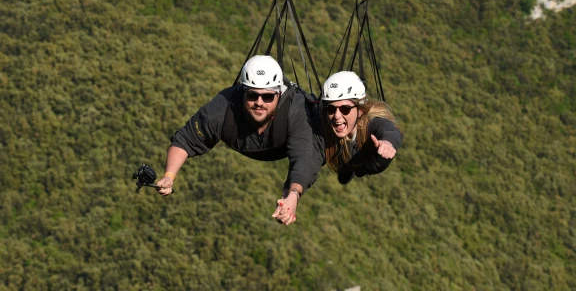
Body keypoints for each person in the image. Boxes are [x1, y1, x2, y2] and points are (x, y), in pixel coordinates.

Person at [156, 55, 325, 225]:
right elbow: (185, 139)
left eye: (267, 97)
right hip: (245, 141)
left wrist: (292, 196)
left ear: (279, 94)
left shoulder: (295, 111)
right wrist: (169, 175)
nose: (259, 103)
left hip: (286, 142)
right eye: (252, 95)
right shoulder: (223, 107)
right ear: (242, 91)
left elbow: (303, 158)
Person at [321, 71, 402, 184]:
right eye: (331, 109)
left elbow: (389, 130)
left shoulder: (371, 123)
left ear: (360, 111)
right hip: (349, 156)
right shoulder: (325, 126)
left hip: (372, 161)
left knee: (358, 163)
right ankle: (347, 165)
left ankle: (350, 164)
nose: (336, 116)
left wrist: (388, 143)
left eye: (345, 109)